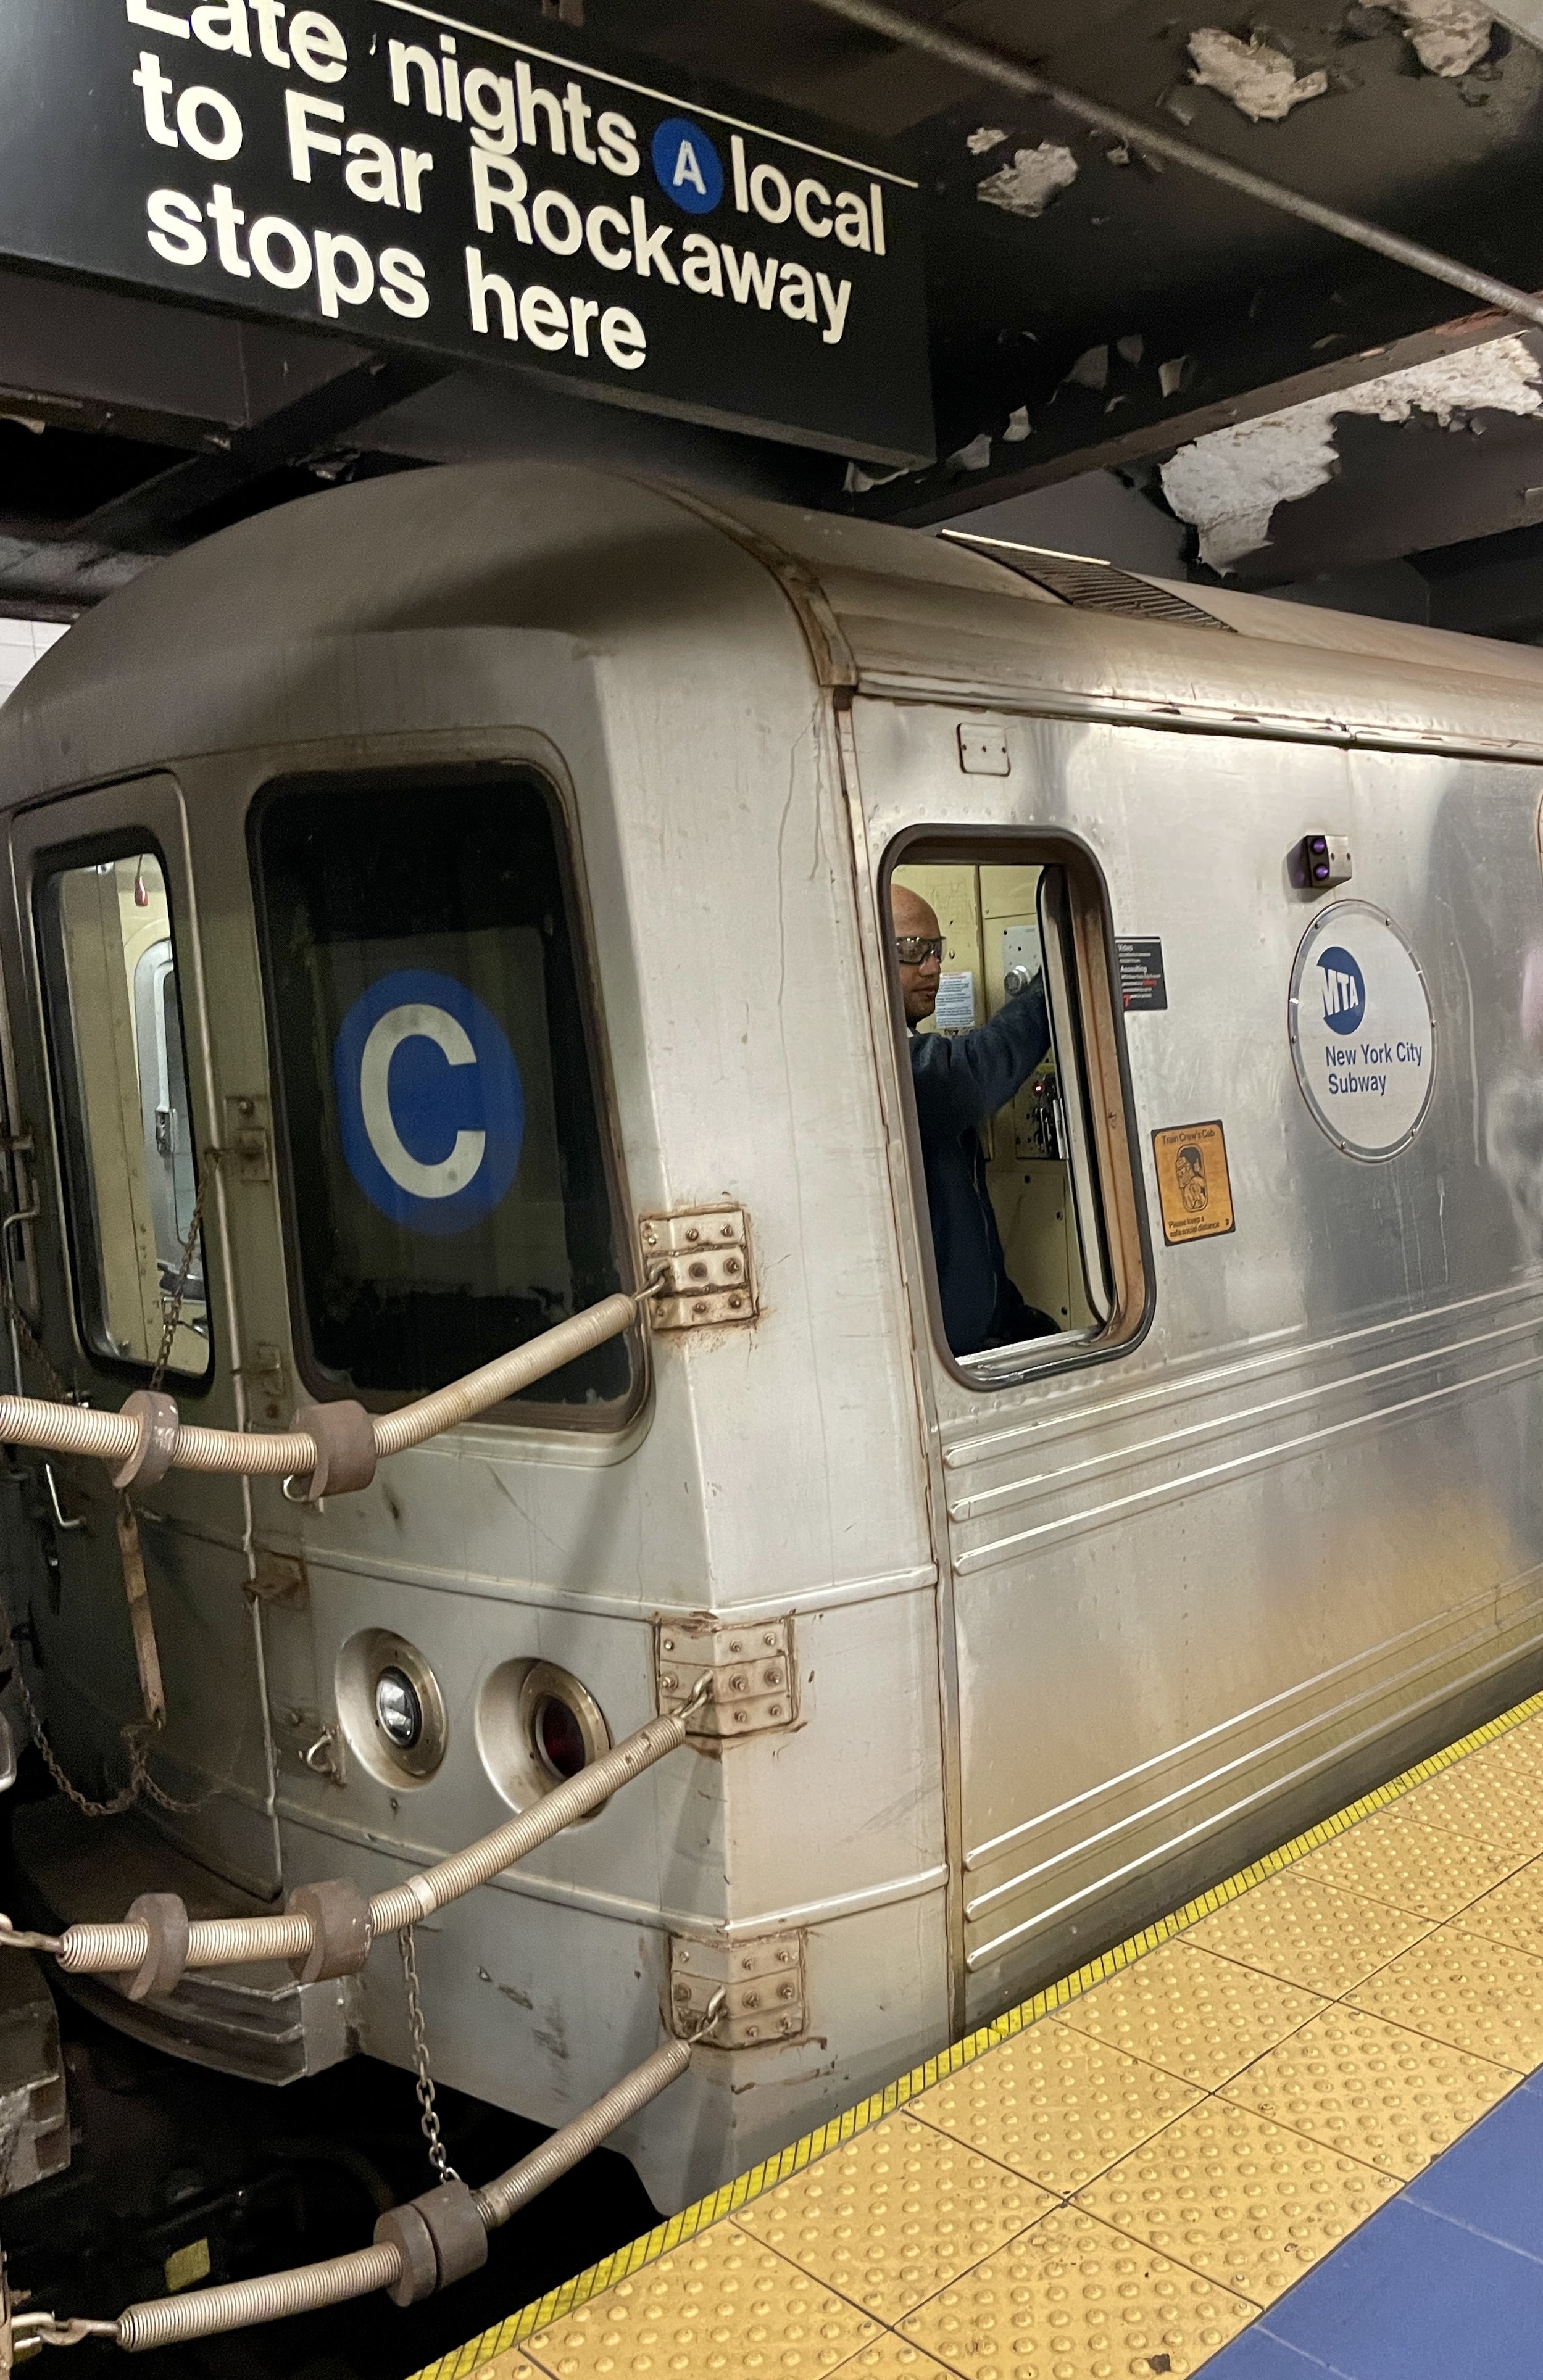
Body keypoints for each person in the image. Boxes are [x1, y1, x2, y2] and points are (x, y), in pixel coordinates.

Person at [892, 881, 1060, 1356]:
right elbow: (972, 1073)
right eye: (911, 950)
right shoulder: (879, 1068)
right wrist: (1059, 978)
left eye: (937, 949)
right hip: (939, 1358)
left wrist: (1004, 1312)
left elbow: (960, 1223)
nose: (933, 967)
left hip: (973, 1343)